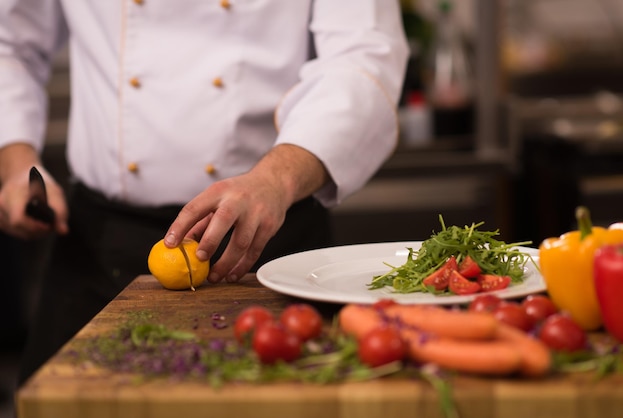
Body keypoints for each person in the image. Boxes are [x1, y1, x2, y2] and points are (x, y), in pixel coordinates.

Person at [0, 0, 409, 385]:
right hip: (97, 245)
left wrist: (276, 179)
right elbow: (10, 42)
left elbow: (364, 56)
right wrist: (16, 161)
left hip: (268, 244)